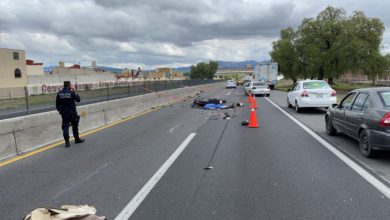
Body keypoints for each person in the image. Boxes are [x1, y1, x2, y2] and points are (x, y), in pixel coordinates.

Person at [56, 81, 85, 148]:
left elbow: (57, 104)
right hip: (72, 112)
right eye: (71, 85)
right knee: (75, 125)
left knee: (65, 127)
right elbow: (78, 100)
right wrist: (75, 91)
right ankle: (76, 139)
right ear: (69, 85)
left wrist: (60, 111)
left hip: (64, 113)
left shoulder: (59, 93)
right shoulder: (71, 92)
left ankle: (67, 143)